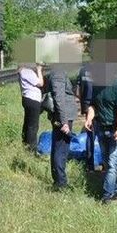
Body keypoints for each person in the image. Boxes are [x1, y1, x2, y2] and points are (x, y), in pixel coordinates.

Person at [83, 62, 117, 202]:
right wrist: (89, 118)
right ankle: (114, 191)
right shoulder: (101, 87)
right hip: (104, 131)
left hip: (114, 131)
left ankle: (106, 196)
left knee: (111, 165)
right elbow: (93, 105)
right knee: (110, 165)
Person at [43, 59, 86, 190]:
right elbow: (59, 98)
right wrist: (64, 121)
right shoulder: (58, 73)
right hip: (63, 116)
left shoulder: (58, 72)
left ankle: (59, 179)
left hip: (63, 116)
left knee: (60, 147)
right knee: (61, 148)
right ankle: (60, 182)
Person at [18, 60, 44, 150]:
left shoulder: (23, 71)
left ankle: (25, 144)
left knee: (28, 123)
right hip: (32, 100)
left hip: (28, 99)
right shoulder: (27, 72)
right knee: (33, 125)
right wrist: (39, 70)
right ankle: (31, 148)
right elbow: (40, 83)